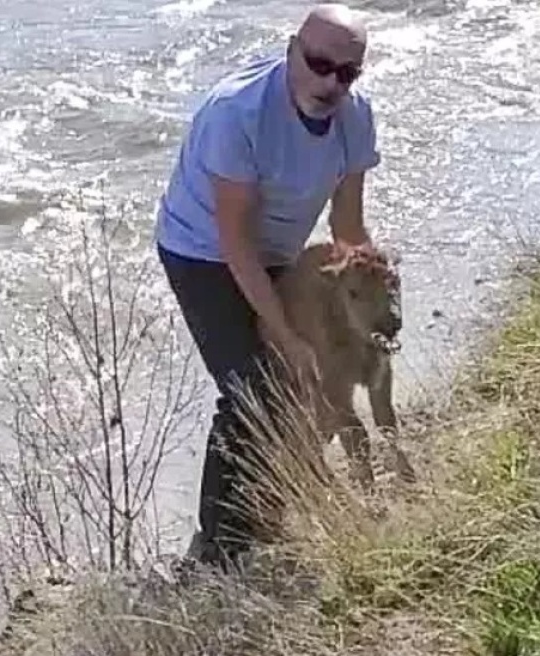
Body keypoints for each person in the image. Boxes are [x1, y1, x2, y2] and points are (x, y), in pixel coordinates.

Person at [153, 2, 382, 572]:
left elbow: (348, 228)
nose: (330, 81)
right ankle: (215, 554)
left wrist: (373, 287)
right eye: (319, 63)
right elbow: (236, 244)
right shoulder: (238, 114)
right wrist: (285, 335)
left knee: (318, 376)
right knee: (255, 387)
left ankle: (270, 512)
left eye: (346, 72)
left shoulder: (355, 119)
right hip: (202, 250)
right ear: (291, 51)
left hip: (279, 251)